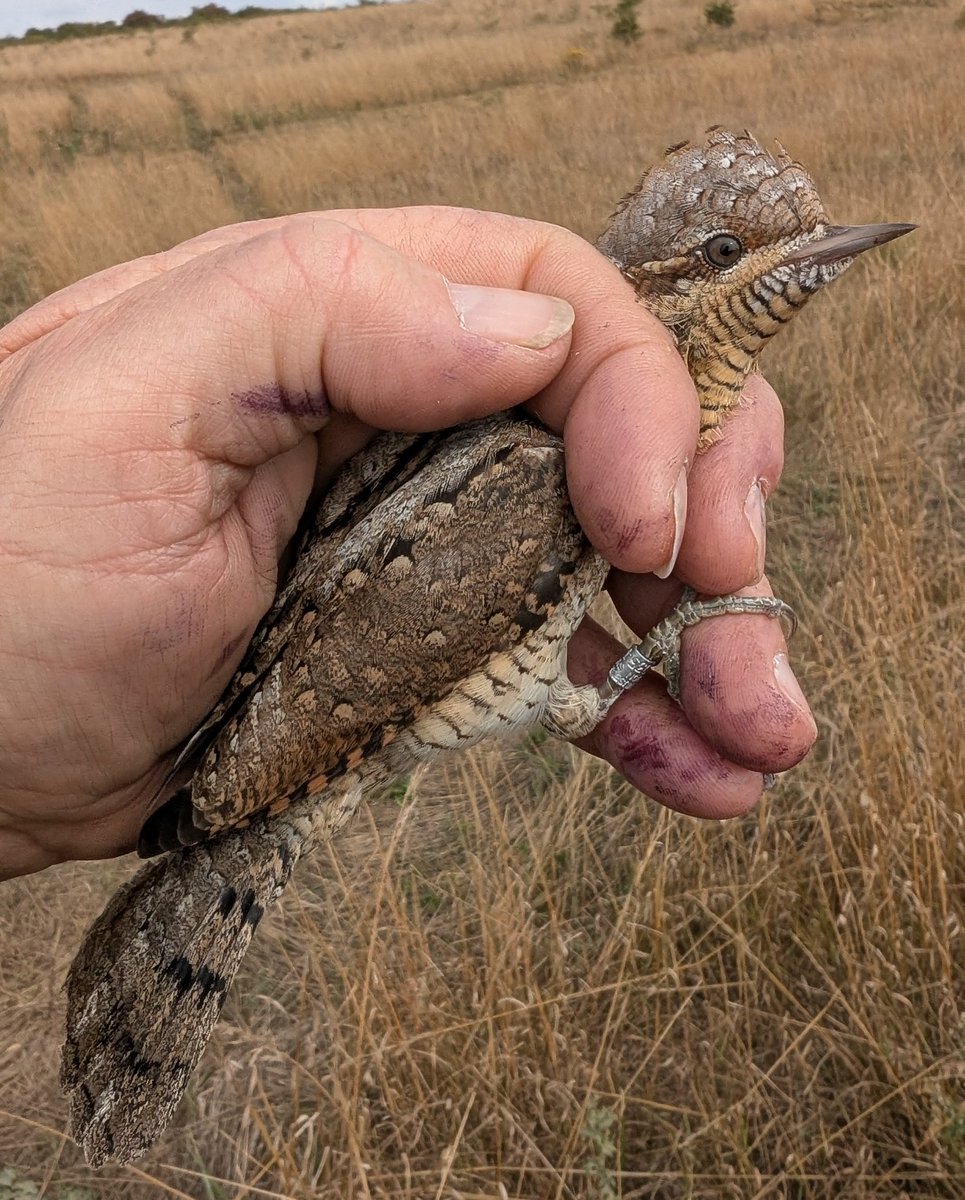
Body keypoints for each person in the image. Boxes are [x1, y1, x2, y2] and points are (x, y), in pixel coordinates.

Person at [0, 207, 816, 881]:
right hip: (269, 759)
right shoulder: (536, 472)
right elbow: (554, 695)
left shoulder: (563, 434)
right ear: (673, 282)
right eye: (722, 252)